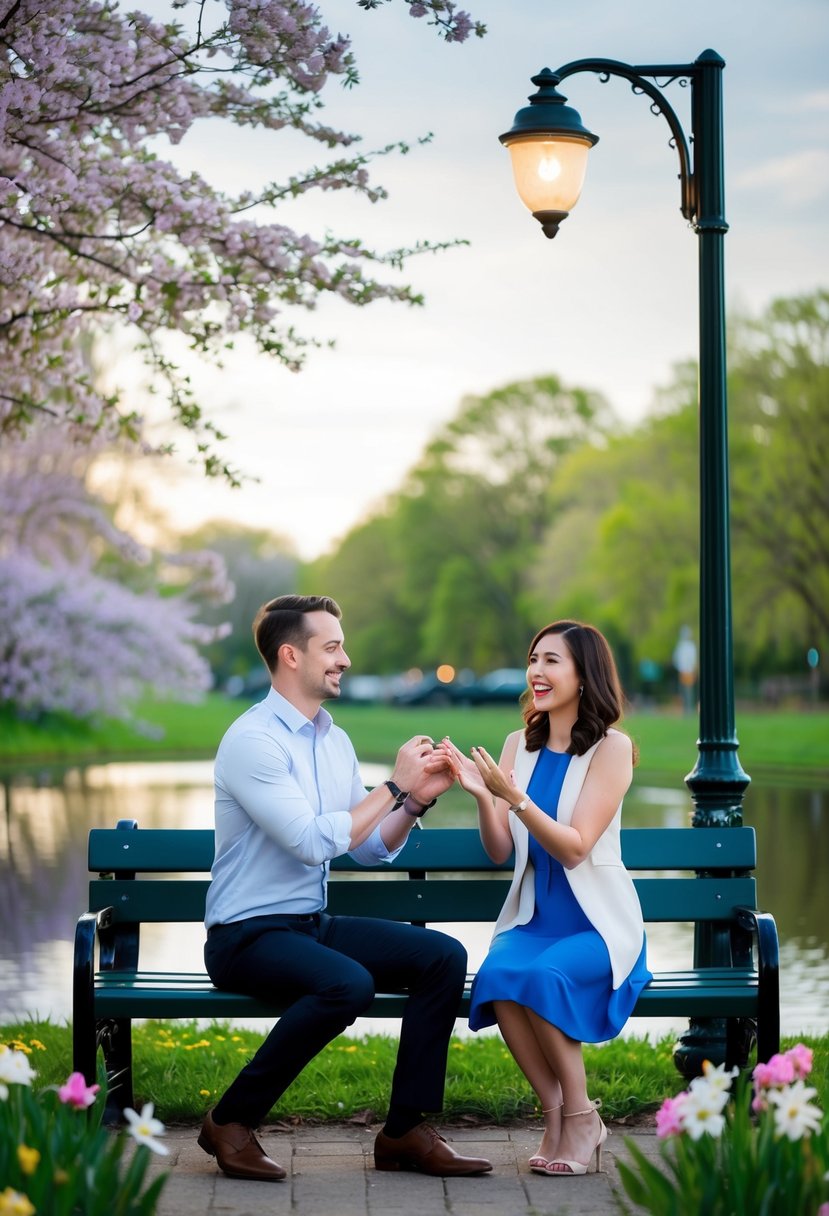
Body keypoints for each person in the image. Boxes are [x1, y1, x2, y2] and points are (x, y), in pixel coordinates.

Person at [198, 594, 492, 1182]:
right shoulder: (252, 740)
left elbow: (363, 846)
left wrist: (414, 800)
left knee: (442, 957)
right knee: (347, 984)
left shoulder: (332, 740)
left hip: (309, 925)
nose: (345, 659)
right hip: (244, 935)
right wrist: (392, 784)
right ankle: (229, 1121)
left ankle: (405, 1131)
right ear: (290, 655)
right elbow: (310, 841)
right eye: (331, 647)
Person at [445, 619, 651, 1178]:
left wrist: (514, 798)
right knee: (500, 977)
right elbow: (497, 851)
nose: (537, 670)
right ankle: (558, 1116)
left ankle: (584, 1117)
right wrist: (484, 798)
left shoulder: (612, 749)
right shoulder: (520, 745)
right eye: (534, 659)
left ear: (585, 674)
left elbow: (576, 848)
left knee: (541, 979)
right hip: (536, 918)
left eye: (552, 660)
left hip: (596, 926)